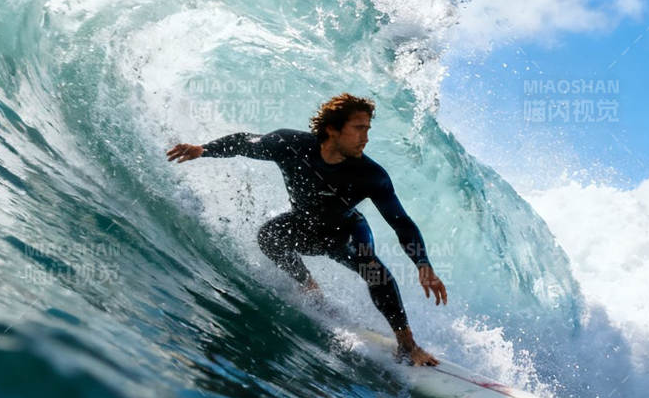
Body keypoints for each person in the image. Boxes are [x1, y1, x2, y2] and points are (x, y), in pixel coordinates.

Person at [166, 93, 447, 366]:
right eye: (359, 128)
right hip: (304, 225)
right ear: (332, 129)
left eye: (368, 129)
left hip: (346, 233)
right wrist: (204, 149)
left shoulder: (371, 175)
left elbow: (402, 223)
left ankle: (408, 343)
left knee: (374, 270)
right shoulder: (289, 145)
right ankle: (308, 286)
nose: (366, 137)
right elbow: (244, 142)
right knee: (269, 237)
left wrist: (423, 264)